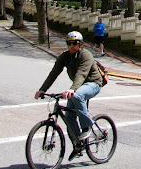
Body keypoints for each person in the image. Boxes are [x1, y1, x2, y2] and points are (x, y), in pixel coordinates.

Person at [34, 31, 103, 161]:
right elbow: (53, 73)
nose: (72, 46)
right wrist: (42, 90)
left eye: (75, 43)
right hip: (78, 86)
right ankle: (78, 144)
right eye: (69, 43)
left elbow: (81, 74)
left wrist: (72, 89)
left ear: (80, 44)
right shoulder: (64, 57)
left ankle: (87, 126)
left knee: (77, 96)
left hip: (93, 83)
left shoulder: (86, 55)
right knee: (69, 116)